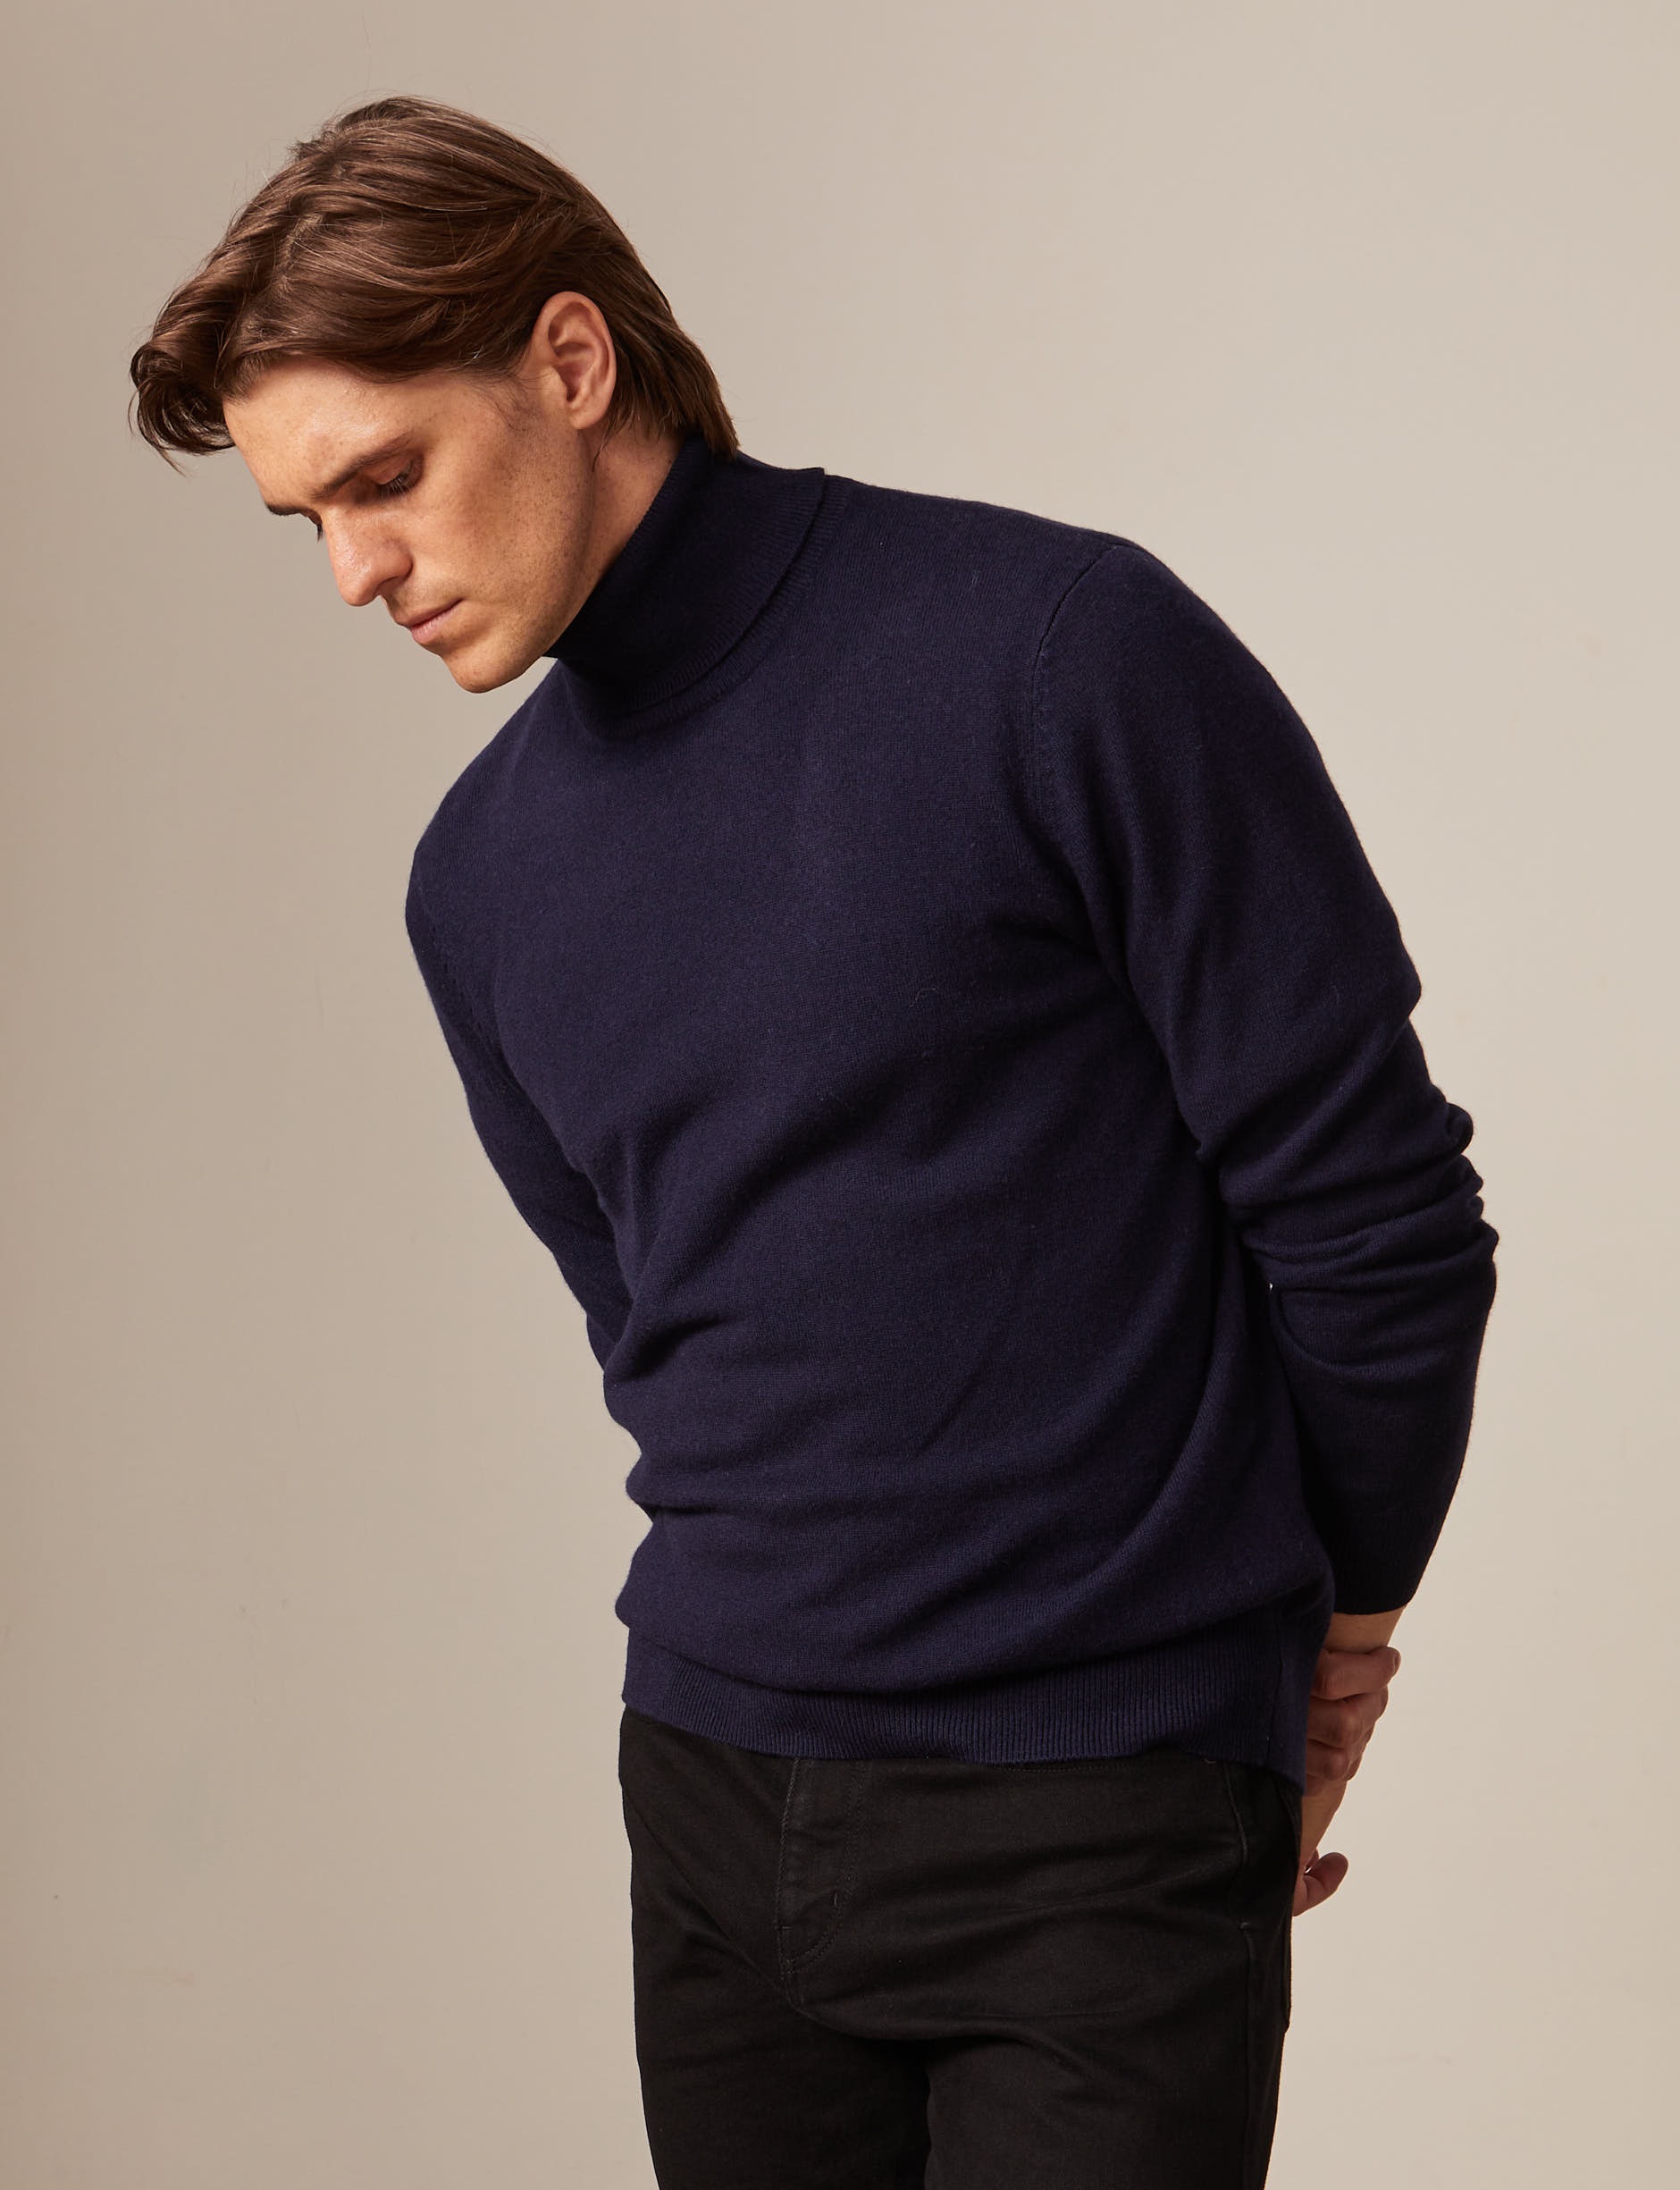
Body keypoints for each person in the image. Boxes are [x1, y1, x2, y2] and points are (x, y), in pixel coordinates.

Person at [130, 93, 1498, 2190]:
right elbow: (664, 1335)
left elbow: (1376, 1219)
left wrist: (1334, 1631)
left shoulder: (1063, 655)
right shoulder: (476, 880)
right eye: (306, 518)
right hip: (711, 1803)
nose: (352, 574)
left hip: (1098, 1807)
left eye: (384, 479)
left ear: (568, 360)